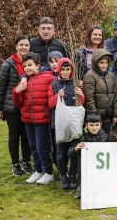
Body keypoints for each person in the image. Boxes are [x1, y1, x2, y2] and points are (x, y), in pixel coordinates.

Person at [12, 52, 57, 184]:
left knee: (42, 147)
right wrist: (17, 91)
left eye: (30, 65)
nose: (27, 68)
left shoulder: (49, 78)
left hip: (42, 120)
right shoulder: (23, 81)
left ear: (38, 66)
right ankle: (38, 171)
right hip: (27, 120)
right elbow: (18, 103)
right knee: (33, 147)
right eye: (25, 66)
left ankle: (48, 172)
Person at [0, 35, 32, 176]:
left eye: (26, 45)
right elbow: (1, 87)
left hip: (26, 106)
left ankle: (27, 162)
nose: (24, 47)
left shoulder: (30, 62)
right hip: (11, 107)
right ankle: (15, 163)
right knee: (14, 136)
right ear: (16, 46)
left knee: (27, 135)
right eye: (21, 45)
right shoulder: (8, 64)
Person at [48, 57, 85, 190]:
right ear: (58, 69)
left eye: (67, 69)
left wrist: (81, 94)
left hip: (74, 125)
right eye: (62, 69)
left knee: (74, 151)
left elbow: (82, 102)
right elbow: (50, 103)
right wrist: (58, 96)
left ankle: (73, 174)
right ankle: (63, 175)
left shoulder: (75, 83)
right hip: (59, 125)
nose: (65, 72)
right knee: (61, 152)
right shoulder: (54, 85)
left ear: (71, 70)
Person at [68, 112, 116, 199]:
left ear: (101, 124)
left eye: (97, 125)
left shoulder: (105, 136)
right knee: (80, 161)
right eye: (91, 125)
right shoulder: (80, 136)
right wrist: (76, 148)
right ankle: (80, 186)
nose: (94, 128)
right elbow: (69, 153)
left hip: (100, 165)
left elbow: (113, 150)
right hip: (86, 164)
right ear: (86, 125)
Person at [83, 49, 117, 134]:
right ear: (96, 63)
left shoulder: (111, 76)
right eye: (101, 63)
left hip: (108, 118)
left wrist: (115, 114)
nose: (104, 65)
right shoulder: (90, 76)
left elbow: (115, 96)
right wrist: (95, 118)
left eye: (106, 63)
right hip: (95, 120)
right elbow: (90, 99)